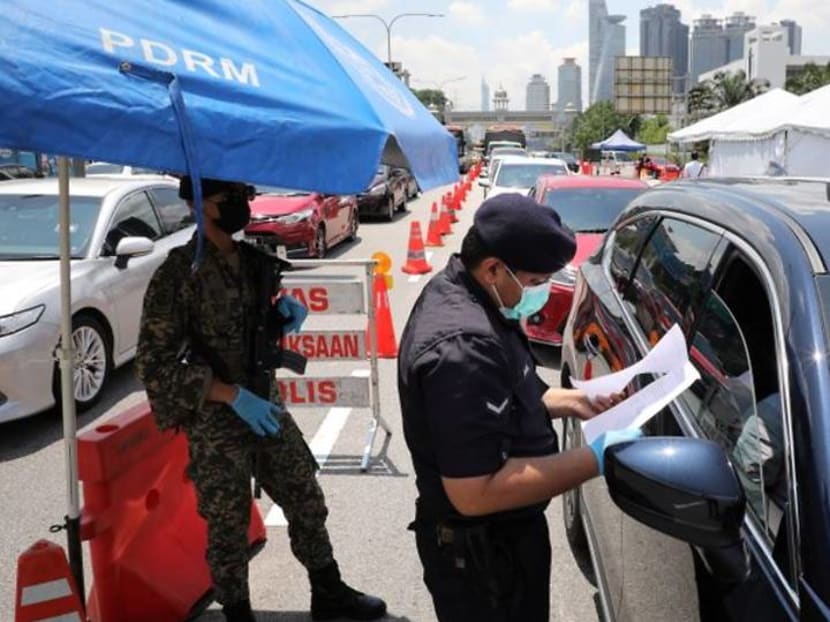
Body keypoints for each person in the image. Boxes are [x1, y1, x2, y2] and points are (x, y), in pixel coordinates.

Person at [135, 177, 386, 622]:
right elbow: (154, 368)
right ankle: (238, 612)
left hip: (264, 408)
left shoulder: (253, 262)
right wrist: (227, 394)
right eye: (230, 199)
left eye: (245, 197)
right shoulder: (177, 275)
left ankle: (328, 592)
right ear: (199, 204)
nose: (243, 206)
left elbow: (255, 327)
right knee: (228, 526)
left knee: (306, 496)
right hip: (216, 421)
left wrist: (280, 319)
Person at [398, 193, 642, 622]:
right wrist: (600, 456)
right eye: (533, 282)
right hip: (483, 558)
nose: (540, 294)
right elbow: (475, 492)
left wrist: (579, 401)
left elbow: (508, 394)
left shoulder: (473, 294)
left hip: (503, 542)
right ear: (493, 268)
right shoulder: (463, 347)